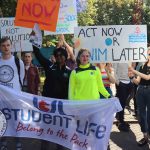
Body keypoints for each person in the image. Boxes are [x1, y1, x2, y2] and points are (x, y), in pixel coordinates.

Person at [31, 30, 71, 150]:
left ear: (65, 57)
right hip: (47, 106)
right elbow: (37, 53)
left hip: (62, 108)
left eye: (61, 55)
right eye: (57, 55)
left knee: (61, 132)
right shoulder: (49, 66)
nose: (59, 57)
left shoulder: (69, 72)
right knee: (46, 132)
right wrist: (35, 38)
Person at [0, 37, 25, 149]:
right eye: (3, 45)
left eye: (8, 45)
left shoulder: (18, 61)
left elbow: (21, 78)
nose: (6, 47)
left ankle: (18, 143)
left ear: (11, 46)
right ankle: (3, 143)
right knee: (2, 122)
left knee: (16, 121)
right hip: (1, 99)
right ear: (0, 47)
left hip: (15, 98)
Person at [128, 49, 150, 146]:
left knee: (149, 115)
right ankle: (145, 136)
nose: (147, 54)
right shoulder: (142, 65)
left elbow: (147, 77)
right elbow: (138, 81)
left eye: (148, 53)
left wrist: (134, 71)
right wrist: (132, 77)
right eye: (147, 53)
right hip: (140, 91)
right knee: (141, 115)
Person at [113, 63, 134, 132]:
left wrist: (130, 81)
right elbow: (114, 71)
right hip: (121, 83)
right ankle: (121, 121)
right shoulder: (117, 57)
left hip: (129, 83)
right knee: (121, 103)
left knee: (124, 103)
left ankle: (120, 119)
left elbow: (131, 70)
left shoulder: (129, 56)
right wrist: (119, 83)